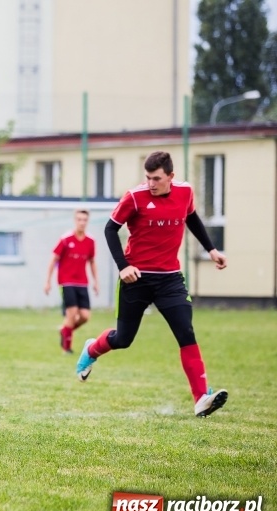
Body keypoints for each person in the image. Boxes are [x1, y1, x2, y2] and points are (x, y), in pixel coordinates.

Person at [75, 151, 228, 417]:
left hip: (170, 278)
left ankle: (201, 397)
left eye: (156, 178)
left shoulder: (185, 192)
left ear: (171, 176)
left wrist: (211, 249)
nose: (151, 184)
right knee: (123, 339)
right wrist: (124, 267)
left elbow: (190, 217)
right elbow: (110, 229)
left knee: (186, 332)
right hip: (136, 278)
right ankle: (91, 348)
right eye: (147, 178)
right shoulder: (134, 197)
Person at [44, 209, 99, 354]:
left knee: (85, 316)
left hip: (82, 282)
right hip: (66, 281)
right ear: (75, 221)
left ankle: (65, 330)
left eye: (84, 220)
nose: (82, 222)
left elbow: (92, 262)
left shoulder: (90, 241)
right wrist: (48, 281)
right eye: (79, 219)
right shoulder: (66, 239)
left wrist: (96, 282)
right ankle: (66, 348)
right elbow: (53, 259)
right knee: (72, 314)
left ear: (87, 221)